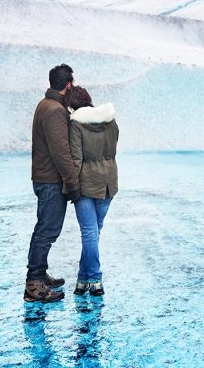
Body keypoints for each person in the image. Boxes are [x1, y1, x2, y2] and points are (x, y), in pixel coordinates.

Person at [26, 64, 81, 303]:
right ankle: (34, 283)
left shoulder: (45, 104)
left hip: (44, 177)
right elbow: (61, 152)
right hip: (50, 180)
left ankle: (39, 274)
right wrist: (73, 183)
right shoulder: (55, 110)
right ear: (68, 85)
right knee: (47, 230)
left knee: (46, 228)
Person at [66, 86, 119, 296]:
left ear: (72, 105)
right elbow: (113, 147)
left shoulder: (76, 124)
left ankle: (95, 279)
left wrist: (70, 187)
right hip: (108, 182)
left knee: (89, 233)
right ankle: (82, 279)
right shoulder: (110, 120)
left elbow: (76, 159)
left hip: (86, 184)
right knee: (94, 233)